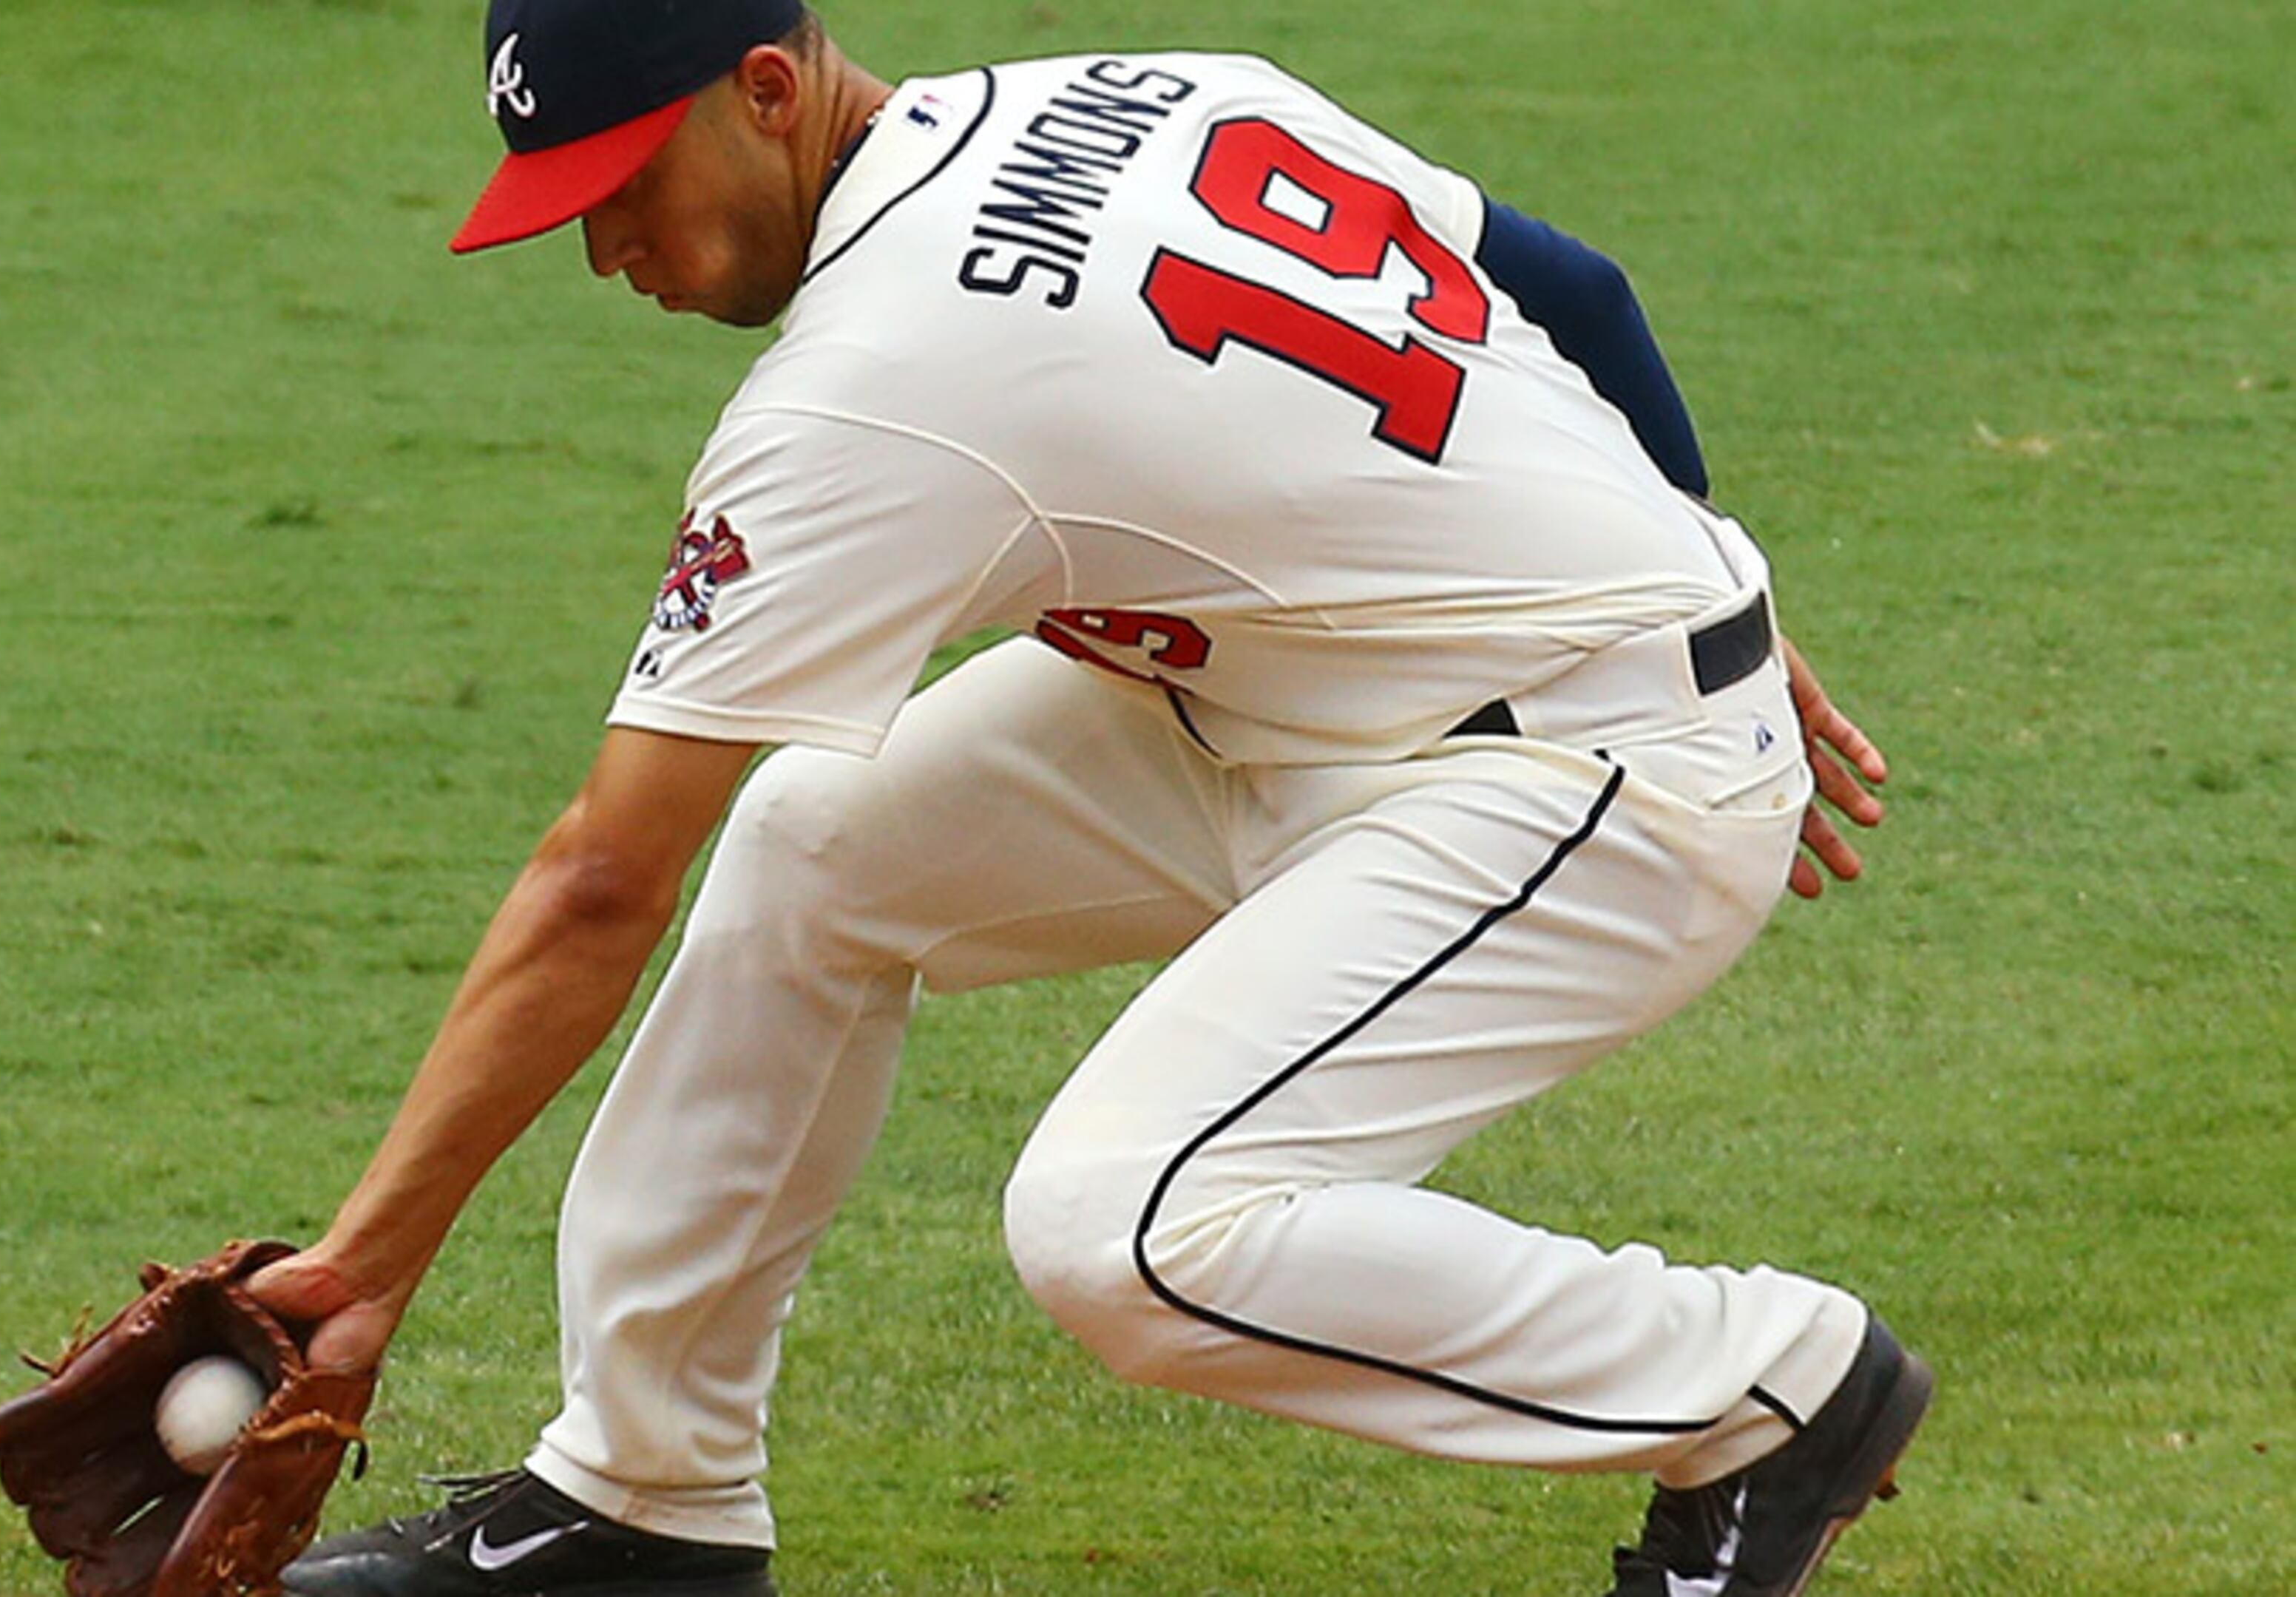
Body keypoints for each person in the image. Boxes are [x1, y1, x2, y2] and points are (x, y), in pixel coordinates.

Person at [248, 3, 1930, 1593]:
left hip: (1586, 777)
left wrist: (361, 1270)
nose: (606, 251)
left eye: (624, 188)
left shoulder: (870, 387)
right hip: (1307, 701)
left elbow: (602, 881)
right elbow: (1578, 288)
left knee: (1127, 1227)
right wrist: (1666, 554)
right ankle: (643, 1500)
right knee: (812, 845)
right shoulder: (1141, 85)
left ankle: (1772, 1389)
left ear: (768, 92)